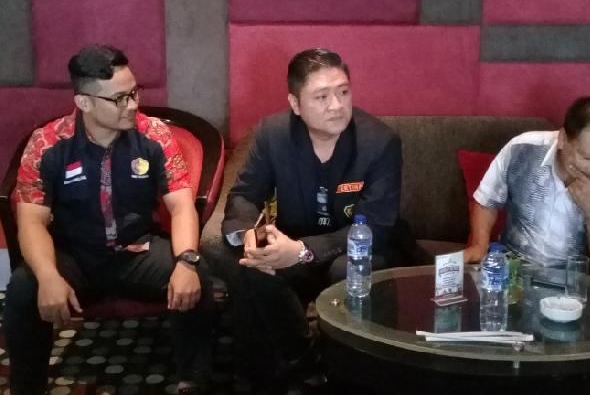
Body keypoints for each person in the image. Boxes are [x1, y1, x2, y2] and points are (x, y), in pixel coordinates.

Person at [5, 44, 215, 395]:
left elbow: (181, 207)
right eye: (118, 99)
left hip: (137, 249)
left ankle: (193, 381)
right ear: (84, 102)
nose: (131, 105)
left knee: (198, 278)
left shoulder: (153, 135)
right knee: (24, 290)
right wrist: (48, 276)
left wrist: (186, 261)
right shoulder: (47, 144)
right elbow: (31, 222)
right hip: (74, 255)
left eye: (134, 92)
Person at [203, 48, 402, 387]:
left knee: (348, 268)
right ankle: (302, 357)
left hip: (354, 248)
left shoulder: (380, 143)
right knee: (249, 261)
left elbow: (376, 225)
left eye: (343, 92)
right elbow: (245, 194)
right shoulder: (273, 134)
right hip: (291, 242)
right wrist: (250, 235)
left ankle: (343, 368)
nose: (337, 105)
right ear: (295, 104)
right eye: (322, 97)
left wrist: (302, 250)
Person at [464, 96, 590, 269]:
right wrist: (480, 245)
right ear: (562, 139)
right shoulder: (522, 149)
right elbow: (487, 201)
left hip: (575, 280)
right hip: (511, 270)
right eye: (588, 158)